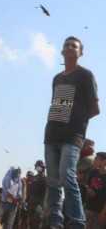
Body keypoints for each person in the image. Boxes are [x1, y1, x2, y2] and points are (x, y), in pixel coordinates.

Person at [44, 36, 100, 229]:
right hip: (51, 134)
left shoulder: (86, 75)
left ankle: (77, 223)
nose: (69, 48)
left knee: (67, 175)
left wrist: (76, 123)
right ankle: (54, 222)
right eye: (66, 45)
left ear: (80, 52)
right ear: (61, 52)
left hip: (73, 135)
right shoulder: (57, 78)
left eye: (74, 46)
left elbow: (94, 108)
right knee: (52, 181)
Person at [85, 151, 106, 229]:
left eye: (96, 159)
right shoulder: (93, 172)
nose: (94, 161)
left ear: (104, 162)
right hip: (90, 208)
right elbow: (88, 185)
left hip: (100, 211)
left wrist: (103, 213)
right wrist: (89, 190)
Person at [27, 160, 47, 229]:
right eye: (37, 166)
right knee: (30, 221)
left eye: (39, 166)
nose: (38, 168)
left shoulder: (45, 179)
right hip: (31, 202)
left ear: (43, 167)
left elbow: (45, 193)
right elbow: (30, 191)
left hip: (39, 202)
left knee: (37, 221)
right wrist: (27, 201)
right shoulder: (34, 178)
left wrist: (41, 204)